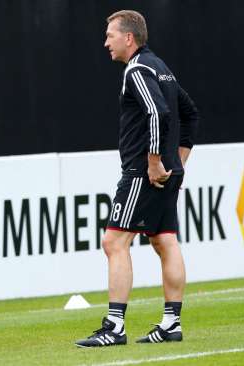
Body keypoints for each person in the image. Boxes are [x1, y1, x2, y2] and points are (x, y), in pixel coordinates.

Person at [75, 10, 200, 347]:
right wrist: (179, 161)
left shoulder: (137, 70)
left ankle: (114, 327)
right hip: (165, 171)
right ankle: (171, 324)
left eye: (110, 36)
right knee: (164, 240)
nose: (106, 43)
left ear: (128, 38)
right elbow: (190, 113)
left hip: (142, 173)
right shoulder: (161, 68)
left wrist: (156, 161)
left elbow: (157, 111)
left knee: (114, 242)